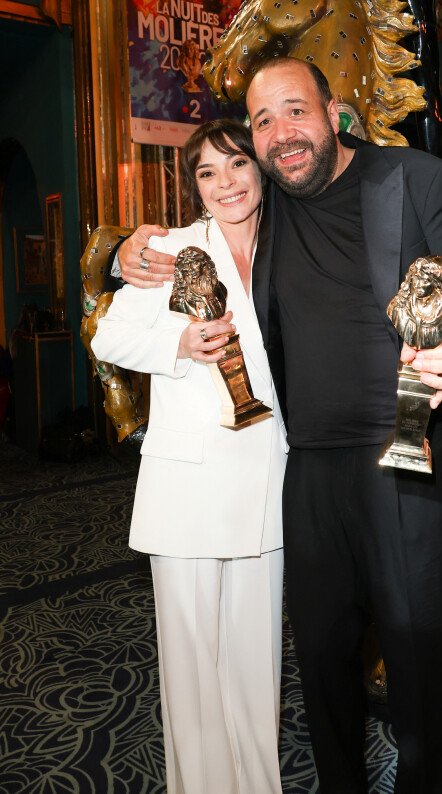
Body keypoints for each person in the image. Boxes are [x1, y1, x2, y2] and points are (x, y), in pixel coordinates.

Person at [116, 58, 442, 794]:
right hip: (307, 471)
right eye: (262, 121)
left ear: (334, 111)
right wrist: (120, 250)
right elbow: (189, 229)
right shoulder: (270, 202)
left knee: (420, 674)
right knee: (323, 671)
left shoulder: (414, 178)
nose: (281, 133)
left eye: (295, 111)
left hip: (408, 454)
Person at [91, 119, 287, 794]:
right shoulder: (171, 251)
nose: (226, 182)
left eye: (237, 165)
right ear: (192, 186)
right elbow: (107, 337)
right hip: (188, 489)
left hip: (269, 483)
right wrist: (176, 349)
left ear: (260, 168)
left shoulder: (294, 244)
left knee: (257, 666)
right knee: (191, 666)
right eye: (207, 172)